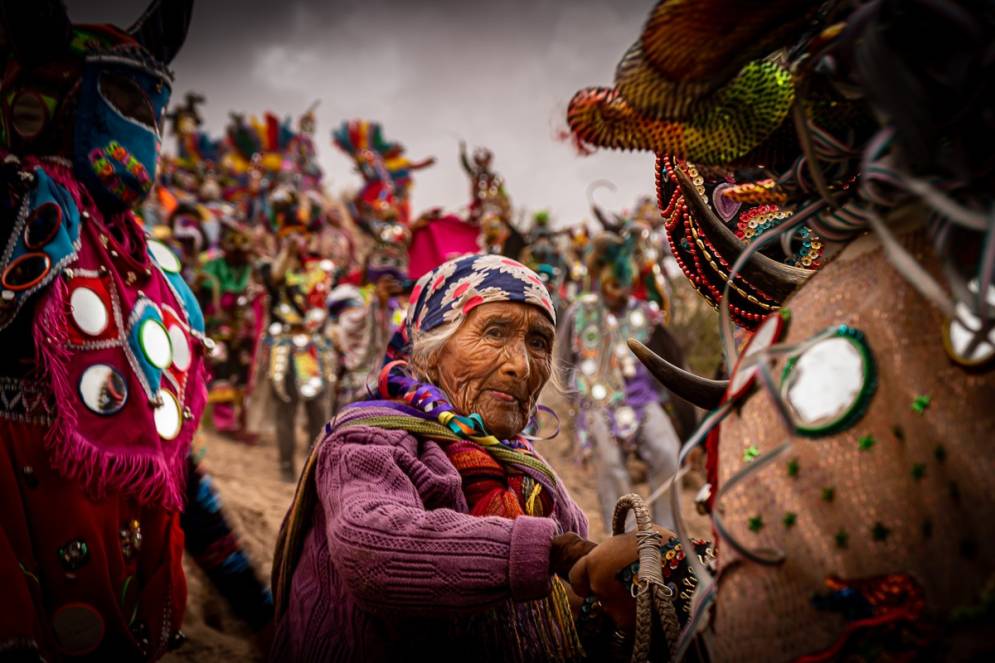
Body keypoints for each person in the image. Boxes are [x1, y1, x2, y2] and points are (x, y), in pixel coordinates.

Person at [271, 255, 707, 662]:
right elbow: (372, 550)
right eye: (494, 332)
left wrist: (613, 591)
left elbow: (560, 600)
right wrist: (552, 552)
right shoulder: (370, 441)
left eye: (538, 342)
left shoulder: (532, 471)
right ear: (430, 350)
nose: (521, 365)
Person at [0, 1, 204, 658]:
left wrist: (243, 581)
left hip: (106, 541)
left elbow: (163, 447)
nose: (139, 129)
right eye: (119, 101)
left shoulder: (150, 267)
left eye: (147, 112)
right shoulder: (17, 211)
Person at [557, 233, 686, 531]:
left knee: (668, 451)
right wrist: (577, 401)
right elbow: (564, 359)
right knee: (611, 467)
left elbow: (669, 363)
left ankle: (669, 534)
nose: (618, 291)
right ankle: (625, 540)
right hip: (597, 402)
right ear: (597, 275)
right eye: (612, 282)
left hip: (643, 400)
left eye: (623, 282)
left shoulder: (645, 314)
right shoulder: (580, 313)